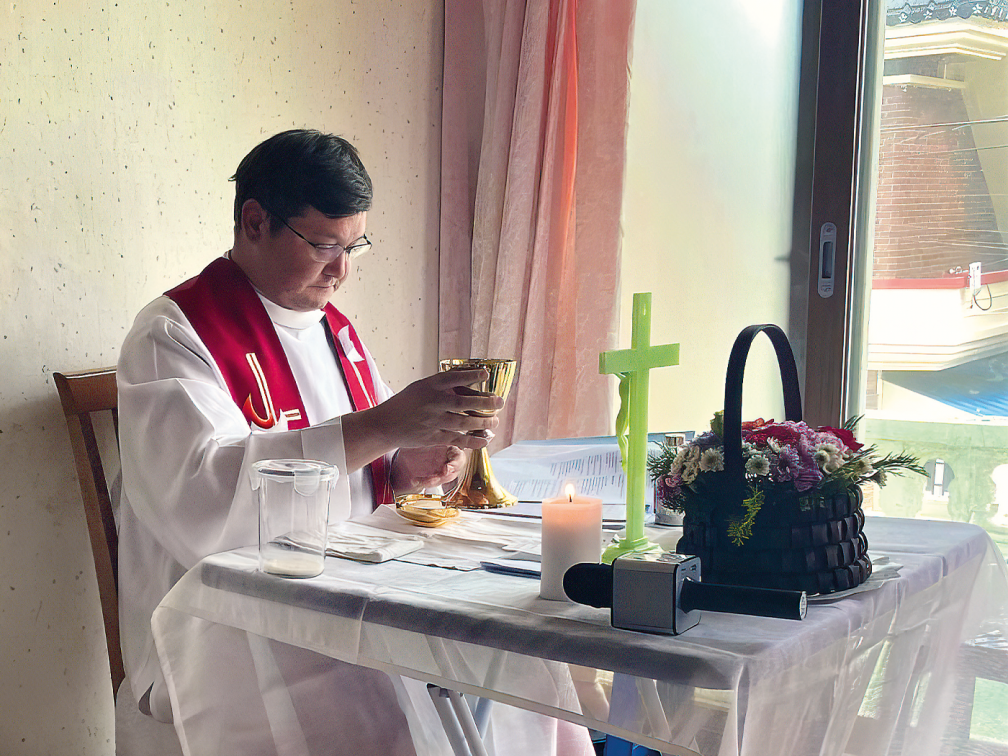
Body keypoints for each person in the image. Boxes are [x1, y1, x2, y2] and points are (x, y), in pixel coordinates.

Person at [117, 130, 593, 754]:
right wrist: (384, 427)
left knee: (517, 659)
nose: (341, 270)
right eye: (323, 245)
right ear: (254, 222)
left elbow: (367, 455)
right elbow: (203, 509)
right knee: (402, 710)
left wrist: (404, 464)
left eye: (354, 246)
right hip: (224, 619)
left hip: (346, 583)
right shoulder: (173, 334)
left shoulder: (334, 331)